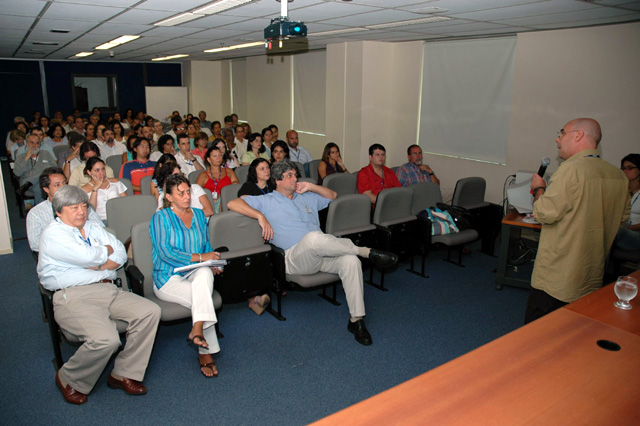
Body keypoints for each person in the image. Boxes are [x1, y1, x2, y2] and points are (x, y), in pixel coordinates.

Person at [228, 160, 398, 346]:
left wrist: (311, 186)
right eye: (289, 176)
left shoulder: (306, 196)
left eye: (296, 175)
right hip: (293, 259)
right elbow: (232, 203)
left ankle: (356, 320)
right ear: (277, 180)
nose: (295, 179)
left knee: (351, 261)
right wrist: (260, 216)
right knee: (313, 237)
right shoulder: (266, 200)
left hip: (321, 255)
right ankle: (366, 251)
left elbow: (333, 195)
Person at [38, 185, 161, 404]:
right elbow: (86, 256)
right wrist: (103, 255)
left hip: (107, 288)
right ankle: (68, 378)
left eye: (84, 206)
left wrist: (97, 264)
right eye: (74, 207)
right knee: (106, 341)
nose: (81, 212)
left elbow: (120, 253)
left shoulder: (93, 227)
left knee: (150, 311)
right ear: (58, 211)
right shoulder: (53, 234)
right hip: (73, 296)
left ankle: (124, 372)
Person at [524, 118, 629, 324]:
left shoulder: (571, 170)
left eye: (562, 133)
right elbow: (622, 217)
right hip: (591, 273)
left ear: (579, 135)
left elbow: (543, 213)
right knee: (573, 330)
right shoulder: (618, 176)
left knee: (539, 332)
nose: (557, 139)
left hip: (558, 276)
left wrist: (539, 188)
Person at [149, 175, 222, 378]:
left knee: (205, 272)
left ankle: (197, 329)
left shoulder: (198, 214)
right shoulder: (160, 218)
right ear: (169, 197)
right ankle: (205, 352)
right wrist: (201, 257)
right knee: (202, 298)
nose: (187, 196)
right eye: (180, 193)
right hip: (168, 276)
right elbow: (165, 253)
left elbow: (205, 244)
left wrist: (212, 261)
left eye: (188, 192)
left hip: (195, 271)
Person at [26, 167, 103, 252]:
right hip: (59, 253)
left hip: (89, 248)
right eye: (57, 185)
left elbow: (101, 227)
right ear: (46, 189)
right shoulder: (36, 213)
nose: (63, 188)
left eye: (64, 183)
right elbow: (35, 244)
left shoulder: (81, 205)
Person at [14, 134, 57, 204]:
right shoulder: (21, 157)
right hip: (26, 182)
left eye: (37, 143)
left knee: (39, 184)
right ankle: (42, 209)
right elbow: (17, 173)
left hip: (45, 181)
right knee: (39, 186)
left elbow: (55, 168)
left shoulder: (46, 153)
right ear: (27, 143)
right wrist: (26, 158)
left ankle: (30, 182)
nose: (34, 145)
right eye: (32, 143)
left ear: (40, 144)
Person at [81, 157, 128, 222]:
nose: (102, 173)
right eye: (97, 170)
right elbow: (91, 211)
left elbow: (126, 202)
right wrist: (95, 188)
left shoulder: (115, 182)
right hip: (100, 221)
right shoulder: (84, 189)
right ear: (89, 172)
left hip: (119, 217)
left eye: (103, 169)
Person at [196, 147, 239, 214]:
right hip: (211, 205)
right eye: (215, 156)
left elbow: (236, 186)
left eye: (220, 155)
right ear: (209, 159)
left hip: (228, 202)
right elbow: (196, 193)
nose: (218, 158)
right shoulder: (203, 176)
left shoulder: (229, 171)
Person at [613, 153, 640, 251]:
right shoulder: (621, 190)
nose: (625, 171)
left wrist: (629, 228)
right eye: (623, 168)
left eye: (630, 168)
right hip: (622, 231)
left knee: (615, 231)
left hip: (636, 234)